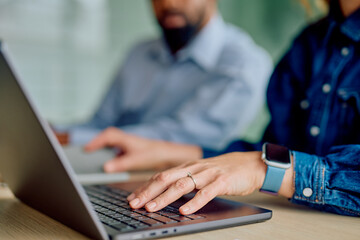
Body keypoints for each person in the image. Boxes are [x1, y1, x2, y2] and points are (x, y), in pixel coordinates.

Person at [85, 0, 360, 216]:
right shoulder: (310, 43)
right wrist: (169, 153)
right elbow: (278, 151)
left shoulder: (243, 59)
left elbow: (269, 166)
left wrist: (265, 169)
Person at [56, 0, 272, 152]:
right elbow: (100, 123)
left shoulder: (243, 63)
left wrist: (74, 138)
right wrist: (53, 133)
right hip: (108, 167)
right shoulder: (139, 53)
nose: (169, 4)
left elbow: (187, 139)